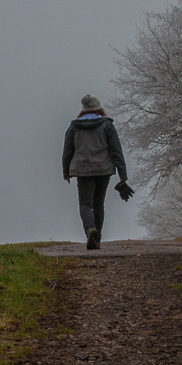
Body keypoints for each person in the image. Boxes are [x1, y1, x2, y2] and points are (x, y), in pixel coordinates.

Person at [61, 94, 128, 250]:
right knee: (99, 205)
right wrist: (123, 176)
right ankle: (97, 239)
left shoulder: (74, 127)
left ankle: (90, 228)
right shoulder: (107, 125)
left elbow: (67, 151)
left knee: (85, 204)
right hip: (103, 170)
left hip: (83, 171)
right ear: (99, 108)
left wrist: (66, 172)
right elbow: (117, 150)